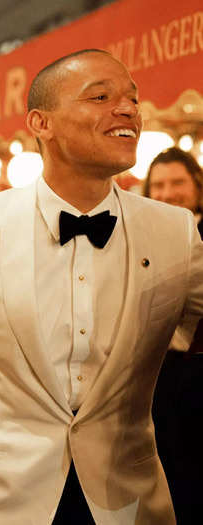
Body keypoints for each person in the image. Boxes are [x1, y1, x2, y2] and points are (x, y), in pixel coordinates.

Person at [0, 49, 203, 525]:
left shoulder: (175, 231)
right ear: (41, 123)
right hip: (0, 502)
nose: (127, 108)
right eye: (101, 96)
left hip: (127, 502)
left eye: (132, 98)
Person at [144, 147, 203, 523]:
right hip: (155, 386)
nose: (167, 193)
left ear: (197, 186)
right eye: (159, 185)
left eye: (177, 183)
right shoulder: (140, 238)